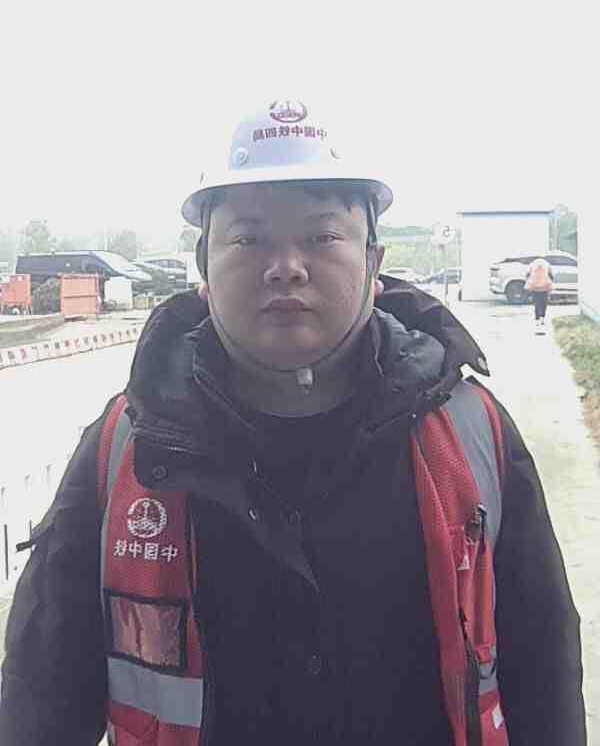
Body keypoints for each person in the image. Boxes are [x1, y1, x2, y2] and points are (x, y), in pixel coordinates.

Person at [0, 99, 586, 745]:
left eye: (321, 237)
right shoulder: (127, 447)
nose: (286, 266)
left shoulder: (469, 433)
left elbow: (542, 668)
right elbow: (42, 693)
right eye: (249, 239)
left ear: (373, 261)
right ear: (204, 267)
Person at [525, 257, 554, 334]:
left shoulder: (532, 264)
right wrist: (551, 284)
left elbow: (527, 275)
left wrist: (529, 283)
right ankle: (542, 319)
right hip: (545, 287)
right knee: (544, 304)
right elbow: (551, 275)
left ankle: (537, 320)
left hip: (535, 288)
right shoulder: (547, 264)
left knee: (537, 304)